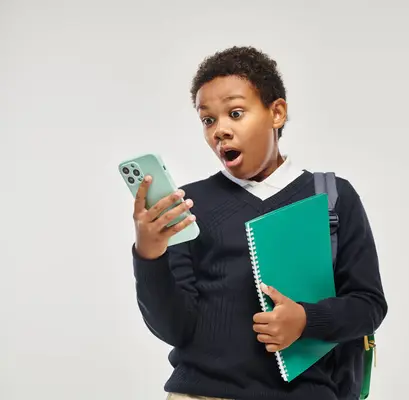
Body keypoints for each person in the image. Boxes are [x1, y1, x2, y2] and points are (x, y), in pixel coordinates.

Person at [131, 45, 387, 400]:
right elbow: (174, 328)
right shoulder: (189, 205)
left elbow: (368, 305)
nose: (219, 130)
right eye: (208, 120)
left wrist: (305, 320)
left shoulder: (332, 197)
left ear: (276, 112)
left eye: (235, 113)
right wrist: (149, 255)